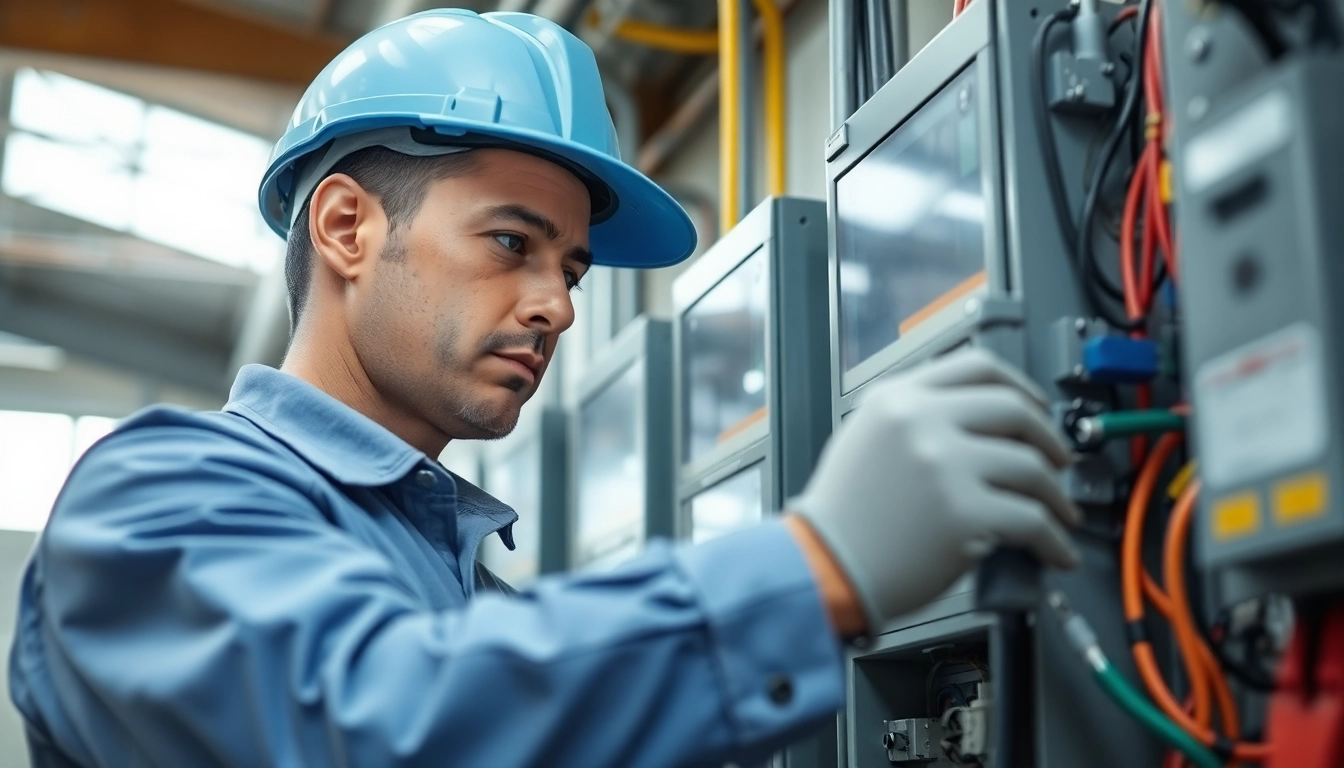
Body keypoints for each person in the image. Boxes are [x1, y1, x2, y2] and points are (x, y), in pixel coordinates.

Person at [8, 10, 1082, 768]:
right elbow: (377, 728)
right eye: (511, 242)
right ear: (345, 227)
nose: (558, 306)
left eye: (568, 266)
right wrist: (812, 571)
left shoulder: (469, 586)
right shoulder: (154, 499)